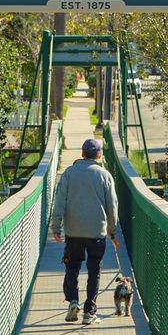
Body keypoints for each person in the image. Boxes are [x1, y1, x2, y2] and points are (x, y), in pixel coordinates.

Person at [52, 138, 119, 324]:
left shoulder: (69, 173)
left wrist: (56, 227)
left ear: (82, 154)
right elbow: (112, 206)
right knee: (94, 270)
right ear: (99, 155)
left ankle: (73, 300)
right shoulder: (105, 176)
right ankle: (89, 311)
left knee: (72, 266)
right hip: (97, 232)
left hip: (74, 232)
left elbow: (59, 202)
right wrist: (112, 231)